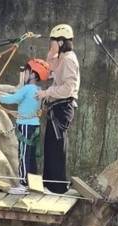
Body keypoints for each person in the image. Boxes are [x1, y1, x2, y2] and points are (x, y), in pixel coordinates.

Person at [0, 58, 50, 195]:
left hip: (26, 126)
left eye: (27, 72)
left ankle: (22, 184)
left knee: (23, 155)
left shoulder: (28, 88)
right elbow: (17, 96)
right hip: (34, 126)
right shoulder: (38, 89)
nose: (24, 75)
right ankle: (32, 183)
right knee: (30, 156)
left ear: (33, 75)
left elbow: (13, 99)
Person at [37, 23, 80, 194]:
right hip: (56, 107)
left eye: (53, 41)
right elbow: (49, 72)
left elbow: (68, 88)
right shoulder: (62, 57)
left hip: (63, 107)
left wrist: (47, 92)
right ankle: (49, 183)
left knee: (57, 146)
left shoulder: (69, 59)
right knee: (50, 145)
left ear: (61, 42)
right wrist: (51, 55)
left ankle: (58, 187)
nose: (51, 44)